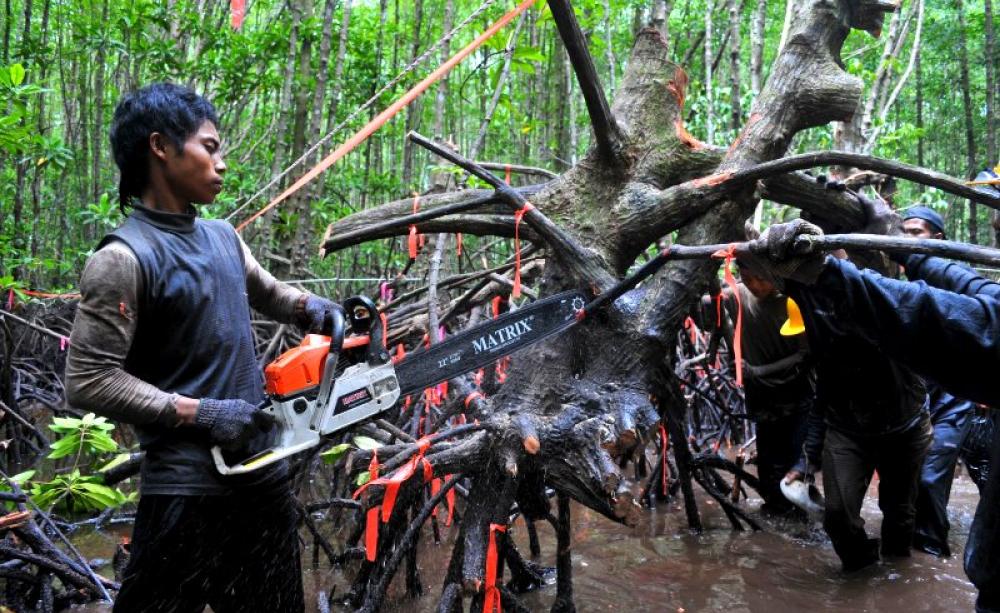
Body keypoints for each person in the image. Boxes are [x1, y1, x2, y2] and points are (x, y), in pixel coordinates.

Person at [65, 83, 339, 612]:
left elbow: (272, 292)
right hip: (184, 493)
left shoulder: (224, 236)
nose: (222, 163)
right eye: (210, 147)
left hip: (263, 479)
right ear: (161, 147)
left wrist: (315, 308)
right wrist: (202, 412)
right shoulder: (121, 259)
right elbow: (88, 377)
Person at [749, 191, 1000, 610]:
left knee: (900, 519)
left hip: (905, 428)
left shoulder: (887, 311)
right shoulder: (819, 325)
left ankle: (896, 587)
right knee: (838, 517)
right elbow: (822, 393)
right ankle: (864, 575)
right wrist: (805, 461)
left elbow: (912, 306)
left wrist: (883, 245)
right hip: (849, 429)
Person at [898, 205, 978, 557]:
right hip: (915, 400)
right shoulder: (901, 284)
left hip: (953, 401)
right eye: (904, 232)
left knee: (930, 481)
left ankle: (932, 554)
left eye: (916, 232)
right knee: (907, 486)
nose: (908, 239)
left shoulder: (959, 281)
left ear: (937, 239)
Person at [723, 261, 814, 518]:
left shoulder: (792, 301)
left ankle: (799, 517)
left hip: (797, 393)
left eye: (761, 279)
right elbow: (708, 300)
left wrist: (758, 370)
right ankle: (774, 512)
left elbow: (805, 353)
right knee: (767, 460)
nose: (755, 286)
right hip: (762, 396)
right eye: (747, 278)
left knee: (796, 459)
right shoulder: (738, 294)